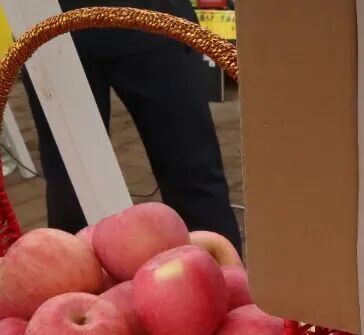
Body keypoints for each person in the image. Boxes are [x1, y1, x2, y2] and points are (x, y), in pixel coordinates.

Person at [22, 0, 242, 251]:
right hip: (52, 25)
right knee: (71, 191)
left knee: (193, 173)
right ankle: (73, 273)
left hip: (152, 15)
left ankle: (220, 270)